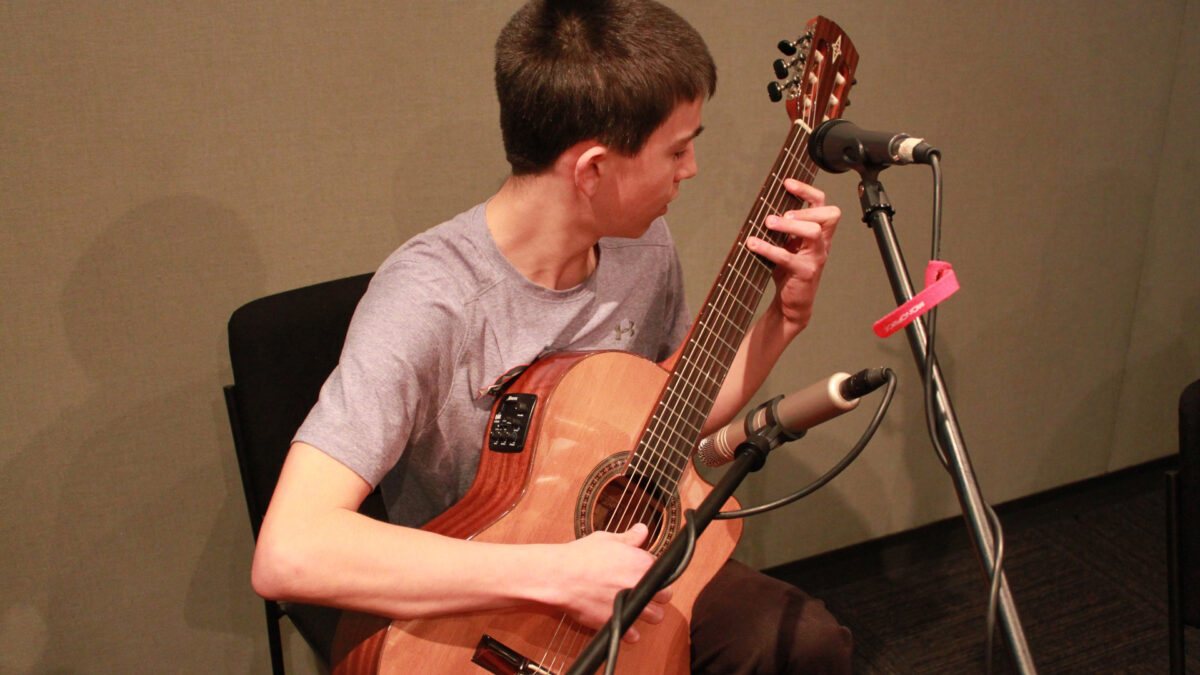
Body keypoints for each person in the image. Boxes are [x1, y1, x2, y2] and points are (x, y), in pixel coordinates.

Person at [252, 0, 852, 672]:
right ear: (592, 169)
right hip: (477, 609)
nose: (691, 169)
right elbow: (290, 550)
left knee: (802, 642)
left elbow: (662, 425)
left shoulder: (642, 245)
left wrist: (783, 319)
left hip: (616, 563)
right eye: (677, 149)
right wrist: (558, 573)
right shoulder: (429, 300)